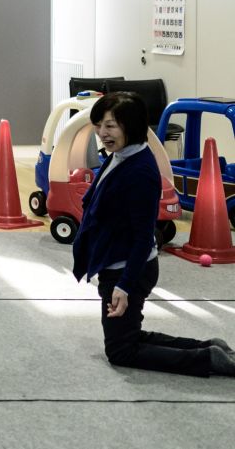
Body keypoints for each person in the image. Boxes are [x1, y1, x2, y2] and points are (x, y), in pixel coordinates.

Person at [71, 92, 235, 377]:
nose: (101, 133)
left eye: (110, 126)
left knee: (121, 351)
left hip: (128, 269)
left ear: (130, 126)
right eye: (99, 125)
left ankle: (208, 359)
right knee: (127, 337)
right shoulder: (120, 155)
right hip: (116, 263)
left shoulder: (140, 172)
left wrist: (124, 286)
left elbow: (143, 236)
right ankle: (209, 347)